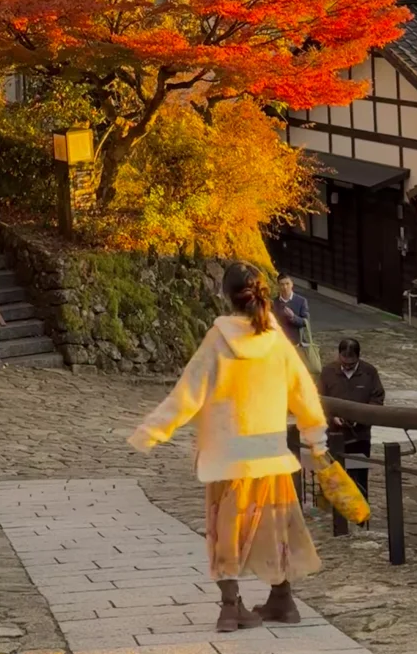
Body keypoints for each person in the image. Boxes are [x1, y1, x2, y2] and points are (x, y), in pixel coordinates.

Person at [128, 262, 327, 633]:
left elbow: (186, 395)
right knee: (276, 525)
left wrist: (151, 431)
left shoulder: (218, 340)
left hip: (225, 454)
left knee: (226, 527)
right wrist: (316, 438)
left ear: (226, 295)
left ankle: (230, 606)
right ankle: (282, 599)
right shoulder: (276, 341)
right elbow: (304, 393)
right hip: (268, 452)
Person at [318, 338, 385, 502]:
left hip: (359, 435)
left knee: (358, 475)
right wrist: (332, 417)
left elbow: (377, 398)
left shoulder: (369, 372)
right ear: (339, 356)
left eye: (351, 363)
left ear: (358, 357)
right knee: (334, 475)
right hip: (333, 435)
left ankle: (360, 511)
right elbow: (318, 400)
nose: (347, 366)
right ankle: (335, 510)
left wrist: (361, 417)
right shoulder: (328, 372)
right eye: (344, 362)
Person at [272, 273, 310, 348]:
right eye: (282, 284)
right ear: (278, 286)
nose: (285, 287)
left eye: (287, 284)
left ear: (292, 284)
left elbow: (306, 322)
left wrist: (293, 316)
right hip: (279, 343)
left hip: (296, 344)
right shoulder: (274, 302)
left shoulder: (301, 301)